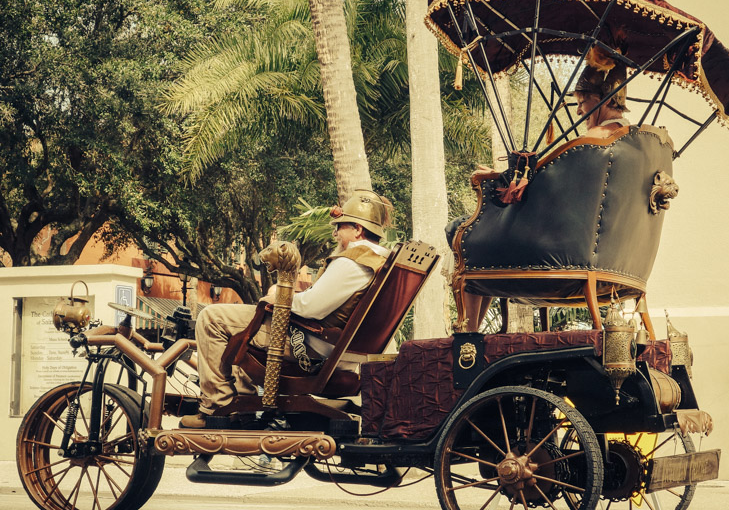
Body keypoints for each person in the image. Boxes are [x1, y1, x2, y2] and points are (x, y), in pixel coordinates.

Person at [180, 189, 393, 429]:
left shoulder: (353, 261)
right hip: (335, 349)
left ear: (358, 229)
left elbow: (311, 307)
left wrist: (276, 297)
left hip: (309, 343)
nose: (336, 234)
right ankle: (242, 403)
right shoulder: (382, 261)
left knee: (211, 317)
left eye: (340, 227)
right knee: (237, 327)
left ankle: (217, 407)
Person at [446, 61, 631, 332]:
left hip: (560, 249)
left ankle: (468, 333)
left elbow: (548, 183)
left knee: (463, 230)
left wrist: (501, 177)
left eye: (582, 101)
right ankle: (471, 331)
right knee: (479, 236)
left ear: (601, 99)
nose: (579, 110)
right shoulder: (628, 142)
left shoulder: (593, 144)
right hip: (611, 255)